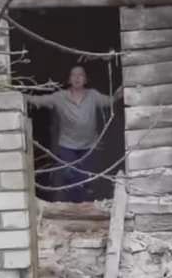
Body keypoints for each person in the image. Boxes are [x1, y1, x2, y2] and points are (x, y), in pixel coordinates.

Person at [28, 65, 121, 202]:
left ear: (86, 79)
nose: (77, 78)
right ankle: (76, 206)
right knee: (70, 176)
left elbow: (110, 101)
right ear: (69, 79)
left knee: (87, 179)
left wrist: (119, 94)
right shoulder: (60, 97)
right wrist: (19, 95)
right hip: (67, 145)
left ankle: (84, 206)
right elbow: (39, 101)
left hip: (89, 146)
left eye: (80, 75)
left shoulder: (93, 95)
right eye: (73, 75)